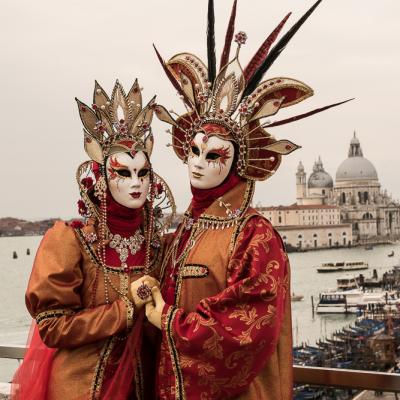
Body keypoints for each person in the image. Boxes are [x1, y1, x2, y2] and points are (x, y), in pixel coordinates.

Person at [146, 1, 350, 399]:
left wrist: (169, 320)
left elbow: (248, 328)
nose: (198, 164)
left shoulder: (255, 236)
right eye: (194, 150)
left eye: (214, 155)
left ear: (240, 161)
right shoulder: (186, 228)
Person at [12, 80, 175, 400]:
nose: (136, 183)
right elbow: (53, 327)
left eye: (143, 173)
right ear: (102, 177)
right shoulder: (70, 241)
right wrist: (124, 309)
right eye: (123, 173)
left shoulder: (159, 245)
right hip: (81, 389)